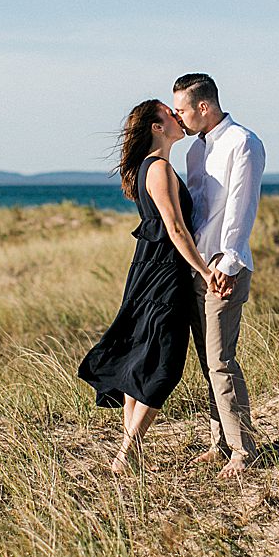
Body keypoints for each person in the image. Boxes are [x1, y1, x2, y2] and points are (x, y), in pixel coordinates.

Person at [78, 99, 217, 473]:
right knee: (164, 364)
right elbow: (175, 229)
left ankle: (130, 453)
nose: (177, 117)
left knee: (140, 356)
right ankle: (126, 452)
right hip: (164, 275)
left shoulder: (149, 168)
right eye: (169, 114)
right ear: (157, 127)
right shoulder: (158, 169)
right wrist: (204, 272)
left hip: (148, 269)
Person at [172, 73, 266, 479]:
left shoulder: (243, 143)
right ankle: (219, 441)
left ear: (203, 107)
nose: (179, 117)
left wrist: (226, 264)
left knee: (221, 360)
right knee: (208, 362)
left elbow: (241, 209)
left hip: (223, 268)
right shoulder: (195, 151)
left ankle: (244, 451)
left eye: (182, 110)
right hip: (197, 266)